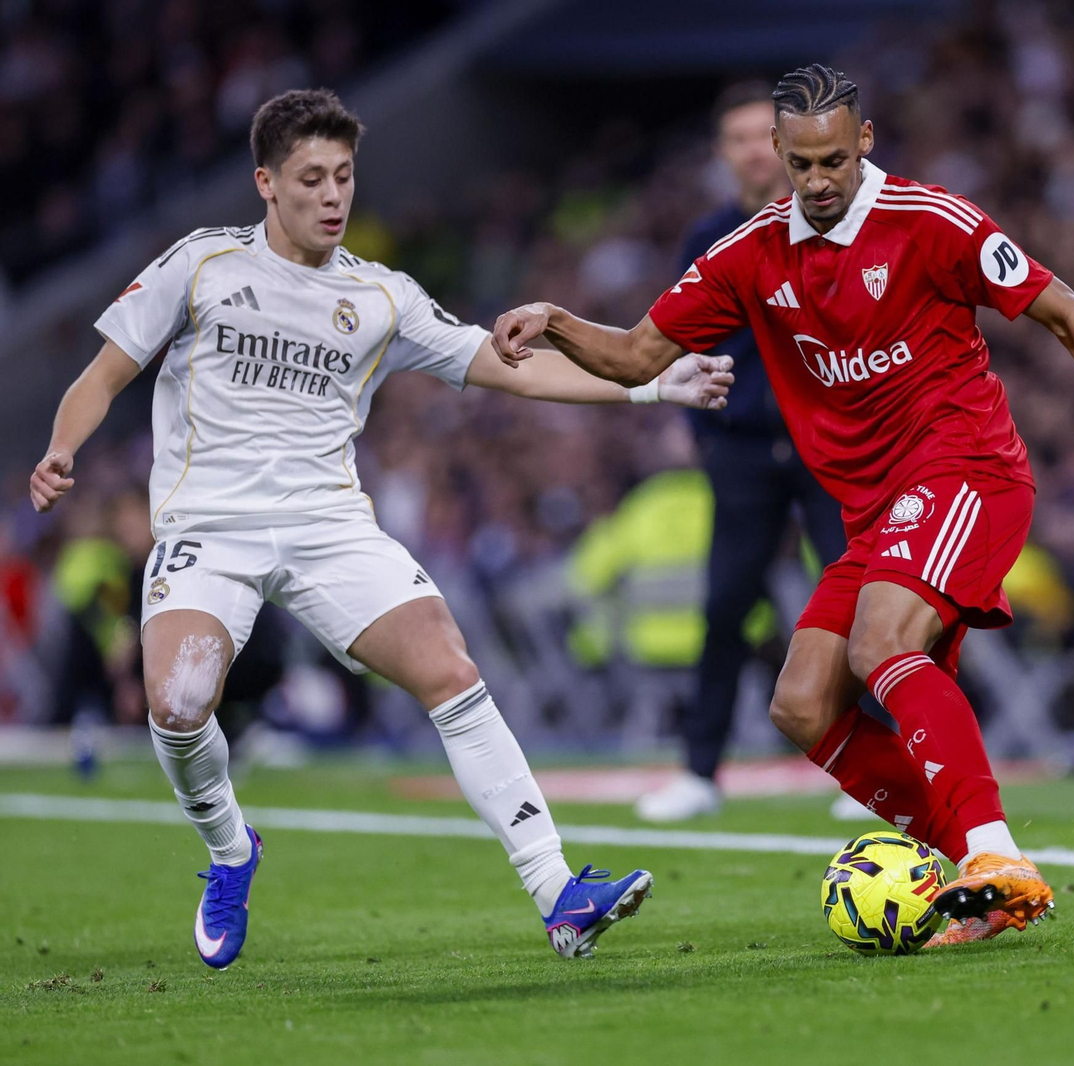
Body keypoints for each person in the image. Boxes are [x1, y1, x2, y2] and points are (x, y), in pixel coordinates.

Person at [28, 88, 735, 966]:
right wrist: (62, 451)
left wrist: (650, 385)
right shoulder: (202, 266)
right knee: (176, 707)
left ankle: (557, 889)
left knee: (449, 667)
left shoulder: (382, 297)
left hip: (328, 526)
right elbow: (103, 376)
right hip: (211, 527)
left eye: (345, 177)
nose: (333, 196)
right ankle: (230, 851)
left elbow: (507, 370)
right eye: (312, 178)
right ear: (265, 183)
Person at [491, 65, 1074, 946]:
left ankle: (995, 853)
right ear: (775, 154)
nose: (818, 181)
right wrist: (554, 317)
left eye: (833, 160)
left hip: (967, 471)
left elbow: (1069, 314)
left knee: (880, 643)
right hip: (875, 508)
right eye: (801, 164)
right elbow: (635, 356)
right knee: (803, 703)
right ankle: (977, 869)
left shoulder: (932, 223)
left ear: (864, 142)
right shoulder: (751, 252)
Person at [635, 83, 847, 823]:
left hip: (832, 447)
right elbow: (679, 344)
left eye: (766, 135)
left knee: (860, 599)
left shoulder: (835, 225)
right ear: (725, 154)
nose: (757, 150)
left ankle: (880, 759)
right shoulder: (708, 238)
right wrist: (707, 437)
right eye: (741, 139)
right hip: (745, 451)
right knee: (726, 605)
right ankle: (700, 770)